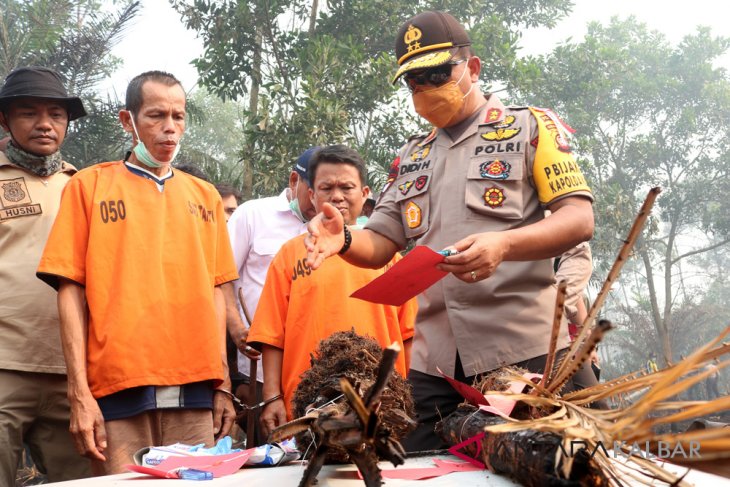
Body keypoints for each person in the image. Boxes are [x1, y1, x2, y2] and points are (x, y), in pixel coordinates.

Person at [305, 11, 595, 450]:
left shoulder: (529, 128)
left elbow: (578, 218)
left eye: (438, 73)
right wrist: (343, 237)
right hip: (435, 363)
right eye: (414, 81)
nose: (425, 88)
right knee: (419, 468)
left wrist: (505, 243)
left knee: (572, 462)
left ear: (472, 68)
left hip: (524, 348)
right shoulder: (410, 156)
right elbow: (381, 241)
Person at [36, 71, 238, 474]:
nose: (169, 128)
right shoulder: (88, 187)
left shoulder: (205, 196)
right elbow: (70, 292)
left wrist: (224, 385)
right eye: (156, 115)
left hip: (195, 387)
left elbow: (217, 292)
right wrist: (79, 392)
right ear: (127, 120)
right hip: (116, 387)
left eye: (178, 117)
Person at [248, 144, 417, 437]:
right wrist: (273, 397)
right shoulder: (290, 255)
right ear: (312, 195)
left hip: (381, 403)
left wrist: (409, 396)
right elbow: (271, 335)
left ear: (365, 195)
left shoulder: (388, 257)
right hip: (306, 405)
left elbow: (409, 335)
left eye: (346, 187)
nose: (337, 196)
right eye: (326, 187)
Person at [0, 66, 91, 484]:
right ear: (5, 120)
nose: (44, 124)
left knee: (79, 480)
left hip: (70, 373)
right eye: (28, 113)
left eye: (55, 113)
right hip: (5, 364)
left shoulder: (83, 185)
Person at [224, 147, 318, 444]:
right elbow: (221, 280)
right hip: (260, 370)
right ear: (294, 180)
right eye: (315, 191)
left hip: (315, 371)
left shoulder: (335, 230)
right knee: (268, 454)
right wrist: (237, 328)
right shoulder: (252, 214)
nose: (321, 202)